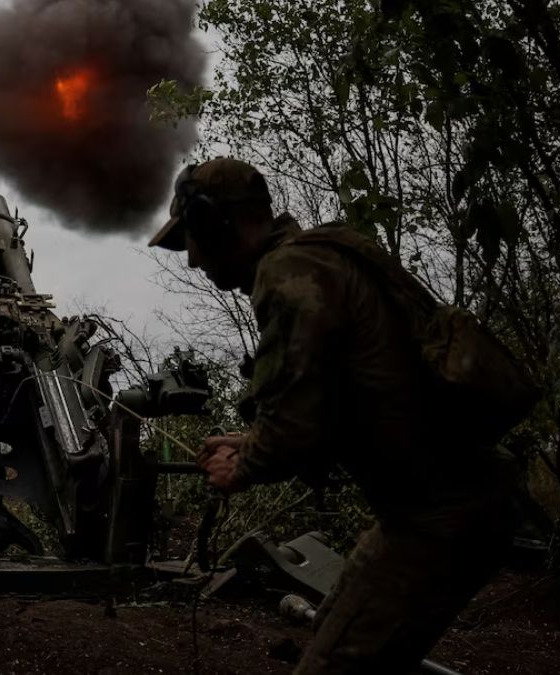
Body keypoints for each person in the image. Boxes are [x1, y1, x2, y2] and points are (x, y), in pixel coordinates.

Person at [148, 158, 519, 674]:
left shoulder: (288, 276)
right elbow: (335, 405)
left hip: (440, 513)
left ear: (215, 223)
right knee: (329, 633)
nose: (191, 261)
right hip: (441, 504)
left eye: (190, 238)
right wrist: (251, 437)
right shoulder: (326, 254)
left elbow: (295, 424)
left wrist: (244, 463)